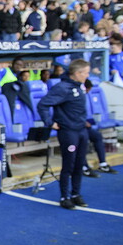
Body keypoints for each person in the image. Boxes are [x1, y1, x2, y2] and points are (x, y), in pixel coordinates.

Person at [37, 59, 92, 209]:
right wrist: (50, 122)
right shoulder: (62, 88)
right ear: (77, 73)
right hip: (69, 132)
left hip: (81, 130)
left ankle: (76, 194)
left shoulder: (79, 86)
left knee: (80, 164)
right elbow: (43, 104)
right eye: (86, 72)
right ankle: (64, 196)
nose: (87, 75)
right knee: (69, 164)